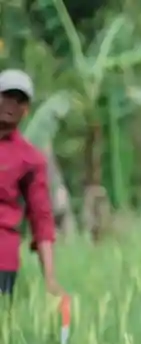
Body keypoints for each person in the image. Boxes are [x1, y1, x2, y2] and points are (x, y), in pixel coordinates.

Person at [0, 69, 62, 302]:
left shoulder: (29, 159)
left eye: (20, 100)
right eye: (6, 96)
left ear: (26, 110)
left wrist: (50, 278)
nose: (12, 105)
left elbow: (42, 219)